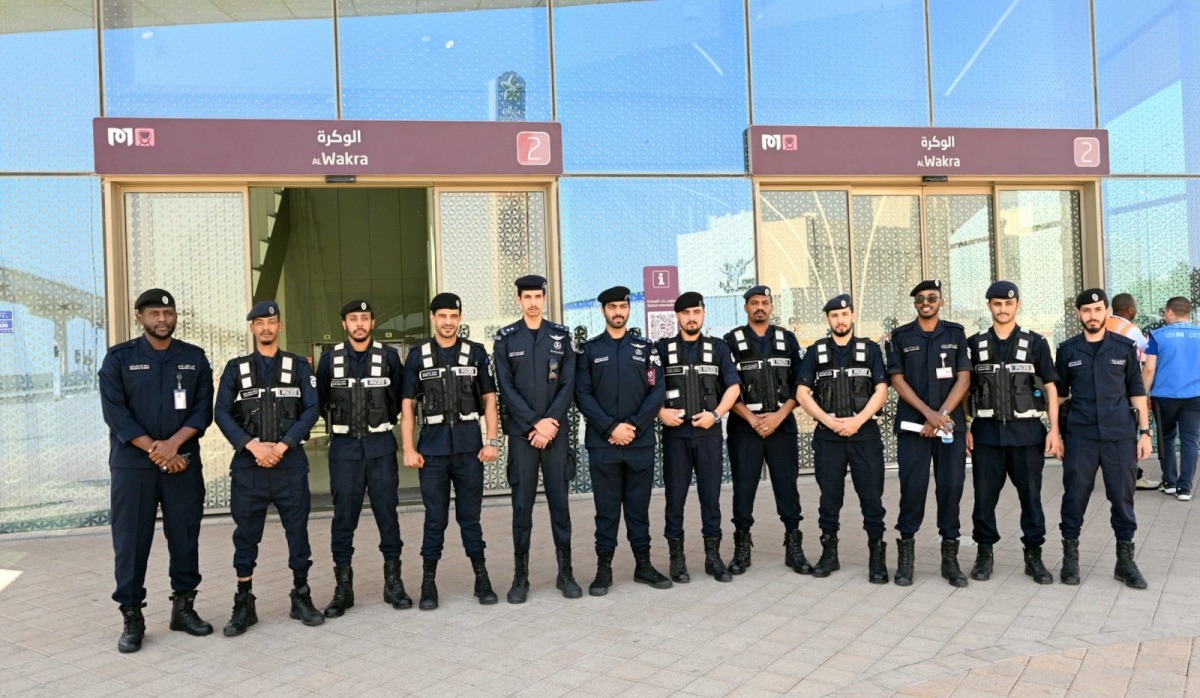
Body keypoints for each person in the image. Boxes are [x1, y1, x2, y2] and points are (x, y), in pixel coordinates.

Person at [99, 289, 214, 653]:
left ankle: (184, 608)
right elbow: (115, 413)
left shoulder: (193, 358)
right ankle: (132, 616)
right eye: (154, 313)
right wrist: (157, 450)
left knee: (185, 537)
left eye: (168, 312)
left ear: (175, 316)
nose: (162, 319)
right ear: (140, 317)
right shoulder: (119, 359)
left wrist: (173, 446)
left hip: (182, 463)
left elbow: (202, 409)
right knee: (131, 542)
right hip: (133, 467)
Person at [214, 300, 323, 634]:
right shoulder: (235, 368)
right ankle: (244, 602)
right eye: (259, 322)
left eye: (271, 322)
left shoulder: (299, 366)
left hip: (290, 464)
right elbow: (221, 412)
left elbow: (312, 409)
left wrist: (283, 444)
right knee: (246, 537)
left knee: (298, 533)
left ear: (280, 326)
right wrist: (253, 446)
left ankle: (301, 595)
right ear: (252, 328)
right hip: (249, 467)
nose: (265, 327)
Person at [401, 293, 500, 609]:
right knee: (435, 520)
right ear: (433, 318)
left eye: (453, 316)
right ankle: (428, 584)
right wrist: (408, 448)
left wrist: (492, 441)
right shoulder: (417, 356)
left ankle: (482, 579)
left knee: (470, 518)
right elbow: (407, 406)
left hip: (470, 450)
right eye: (442, 316)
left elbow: (489, 400)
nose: (448, 321)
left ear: (460, 318)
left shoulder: (476, 353)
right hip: (432, 452)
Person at [573, 286, 672, 595]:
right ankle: (604, 570)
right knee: (606, 510)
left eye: (623, 306)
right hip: (603, 444)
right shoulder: (589, 351)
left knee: (638, 509)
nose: (618, 312)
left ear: (629, 310)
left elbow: (657, 392)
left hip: (639, 443)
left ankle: (643, 566)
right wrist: (611, 428)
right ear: (603, 310)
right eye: (612, 307)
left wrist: (633, 427)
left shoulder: (646, 348)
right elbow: (582, 394)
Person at [964, 281, 1062, 585]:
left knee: (1031, 498)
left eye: (1008, 303)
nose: (1003, 309)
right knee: (984, 499)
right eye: (997, 304)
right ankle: (984, 554)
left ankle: (1034, 556)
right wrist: (966, 426)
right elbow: (963, 388)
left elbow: (1050, 387)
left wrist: (1054, 430)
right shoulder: (974, 344)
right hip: (986, 435)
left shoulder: (1036, 342)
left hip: (1027, 435)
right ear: (989, 306)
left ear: (1017, 304)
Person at [317, 300, 409, 618]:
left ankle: (393, 583)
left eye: (365, 318)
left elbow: (400, 399)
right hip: (344, 450)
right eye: (353, 318)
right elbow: (321, 400)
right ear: (344, 323)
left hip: (381, 446)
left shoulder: (389, 357)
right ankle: (343, 588)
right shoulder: (329, 359)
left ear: (372, 323)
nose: (359, 323)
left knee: (388, 515)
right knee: (343, 519)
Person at [1055, 288, 1151, 588]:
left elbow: (1137, 391)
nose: (1092, 316)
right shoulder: (1067, 351)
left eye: (1098, 310)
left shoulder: (1123, 348)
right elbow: (1059, 396)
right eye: (1086, 311)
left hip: (1119, 436)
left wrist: (1145, 433)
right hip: (1080, 436)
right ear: (1078, 314)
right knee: (1074, 497)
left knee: (1122, 499)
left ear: (1107, 312)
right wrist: (1055, 433)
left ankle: (1125, 562)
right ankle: (1070, 558)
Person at [493, 275, 580, 602]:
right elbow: (505, 387)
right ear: (518, 300)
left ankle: (565, 573)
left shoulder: (561, 337)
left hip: (555, 433)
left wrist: (548, 424)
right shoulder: (505, 339)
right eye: (526, 297)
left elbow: (568, 385)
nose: (532, 302)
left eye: (537, 297)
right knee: (521, 507)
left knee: (560, 505)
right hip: (522, 435)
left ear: (544, 299)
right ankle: (520, 577)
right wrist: (533, 423)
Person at [795, 294, 890, 583]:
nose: (840, 320)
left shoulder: (870, 350)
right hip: (829, 436)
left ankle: (877, 558)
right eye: (834, 315)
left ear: (853, 316)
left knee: (871, 498)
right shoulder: (815, 352)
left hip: (865, 435)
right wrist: (830, 422)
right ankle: (829, 555)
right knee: (829, 499)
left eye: (845, 314)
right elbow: (801, 393)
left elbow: (882, 390)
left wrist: (857, 421)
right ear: (828, 319)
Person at [886, 279, 971, 587]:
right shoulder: (900, 336)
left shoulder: (956, 334)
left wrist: (941, 417)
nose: (926, 303)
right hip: (914, 427)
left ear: (941, 302)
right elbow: (897, 380)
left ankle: (950, 560)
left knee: (951, 488)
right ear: (915, 303)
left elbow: (964, 378)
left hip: (949, 427)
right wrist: (929, 415)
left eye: (932, 298)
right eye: (920, 298)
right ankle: (906, 559)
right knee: (913, 489)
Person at [722, 286, 810, 576]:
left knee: (787, 487)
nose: (759, 307)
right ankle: (742, 547)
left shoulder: (787, 339)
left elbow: (801, 384)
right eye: (754, 303)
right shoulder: (730, 341)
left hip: (781, 426)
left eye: (764, 302)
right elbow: (725, 387)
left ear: (771, 306)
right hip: (744, 428)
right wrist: (752, 419)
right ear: (746, 307)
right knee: (743, 489)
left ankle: (793, 545)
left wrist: (778, 417)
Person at [655, 291, 741, 583]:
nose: (691, 318)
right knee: (674, 499)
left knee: (710, 498)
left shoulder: (718, 348)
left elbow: (733, 387)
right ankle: (677, 559)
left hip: (708, 435)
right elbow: (647, 387)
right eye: (686, 313)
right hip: (676, 436)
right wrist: (660, 411)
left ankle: (712, 557)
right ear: (677, 316)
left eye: (696, 312)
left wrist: (715, 414)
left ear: (703, 314)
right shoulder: (662, 350)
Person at [1143, 296, 1200, 502]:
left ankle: (1169, 482)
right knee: (1190, 441)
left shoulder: (1157, 336)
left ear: (1169, 312)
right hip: (1195, 396)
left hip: (1164, 397)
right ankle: (1185, 488)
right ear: (1188, 313)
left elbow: (1149, 369)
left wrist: (1144, 395)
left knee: (1166, 437)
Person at [1106, 293, 1156, 490]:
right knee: (1128, 434)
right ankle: (1133, 476)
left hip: (1105, 388)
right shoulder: (1129, 329)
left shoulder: (1103, 323)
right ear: (1130, 310)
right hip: (1125, 388)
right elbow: (1150, 351)